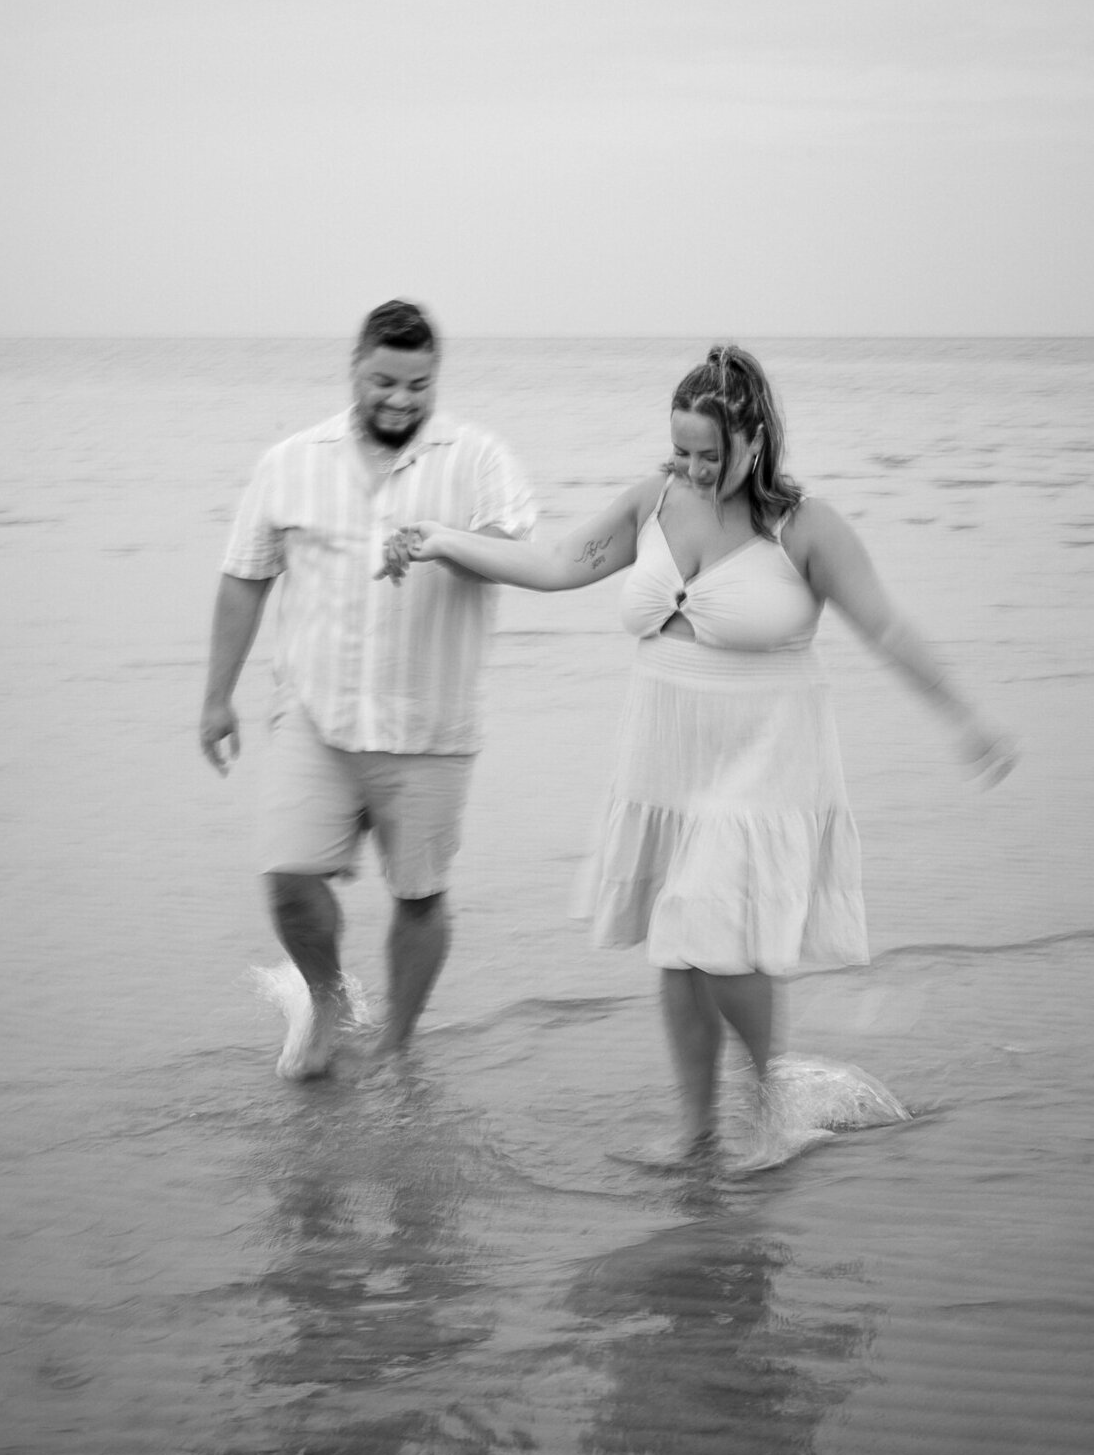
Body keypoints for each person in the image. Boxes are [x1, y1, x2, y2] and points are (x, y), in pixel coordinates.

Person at [382, 344, 1015, 1161]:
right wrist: (438, 538)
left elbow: (886, 626)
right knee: (679, 949)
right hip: (664, 754)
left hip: (765, 757)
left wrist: (967, 719)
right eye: (680, 450)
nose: (692, 468)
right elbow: (550, 565)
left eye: (710, 454)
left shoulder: (805, 529)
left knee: (711, 931)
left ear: (756, 437)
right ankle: (697, 1132)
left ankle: (769, 1090)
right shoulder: (654, 501)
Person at [201, 299, 535, 1078]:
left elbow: (515, 546)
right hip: (315, 718)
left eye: (419, 384)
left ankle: (396, 1048)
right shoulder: (291, 462)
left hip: (431, 726)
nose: (401, 399)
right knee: (287, 880)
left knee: (419, 897)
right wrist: (216, 697)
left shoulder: (477, 458)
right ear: (354, 367)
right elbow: (244, 579)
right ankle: (325, 1000)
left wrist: (440, 541)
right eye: (385, 380)